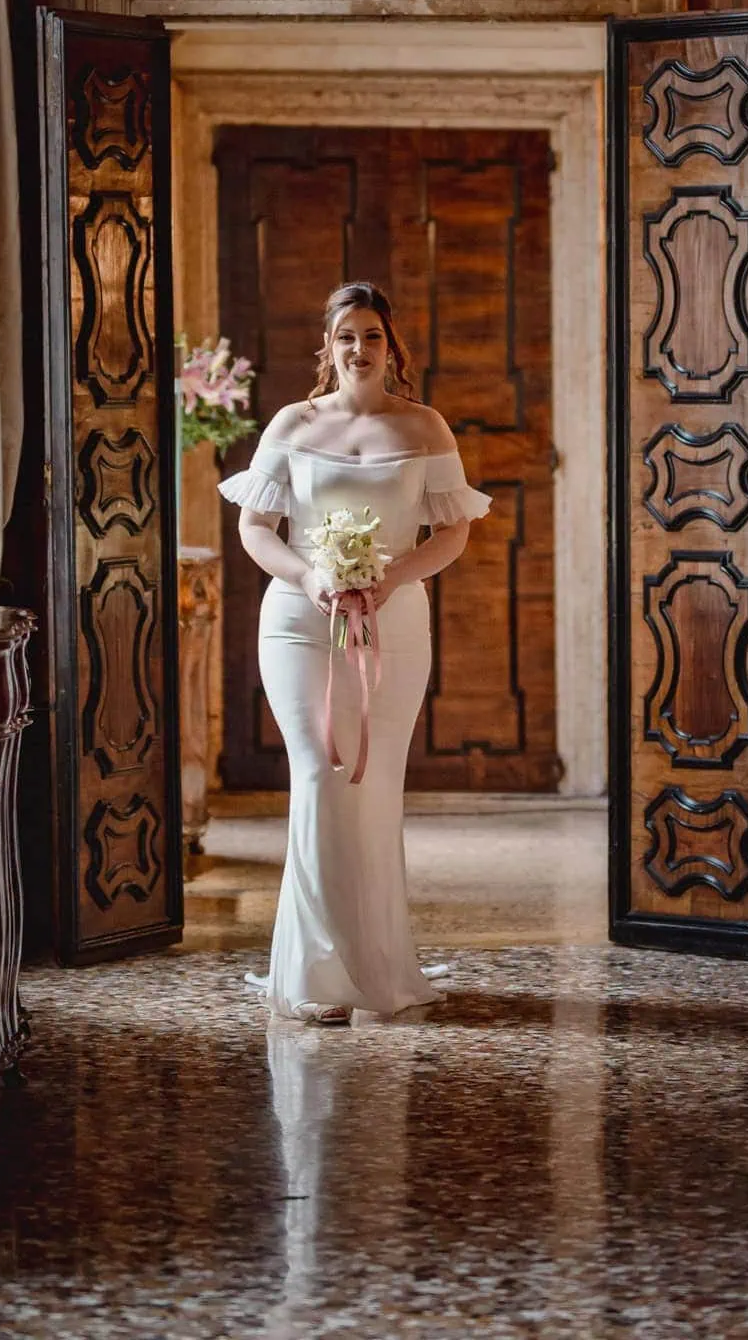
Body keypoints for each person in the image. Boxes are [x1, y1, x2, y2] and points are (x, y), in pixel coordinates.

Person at [218, 281, 491, 1025]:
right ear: (328, 348)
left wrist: (386, 579)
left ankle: (373, 964)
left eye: (372, 335)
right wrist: (313, 575)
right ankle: (316, 974)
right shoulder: (292, 422)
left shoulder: (425, 426)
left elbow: (453, 532)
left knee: (373, 783)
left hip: (393, 623)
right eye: (346, 336)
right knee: (317, 772)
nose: (359, 349)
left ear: (390, 347)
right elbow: (255, 528)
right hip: (299, 623)